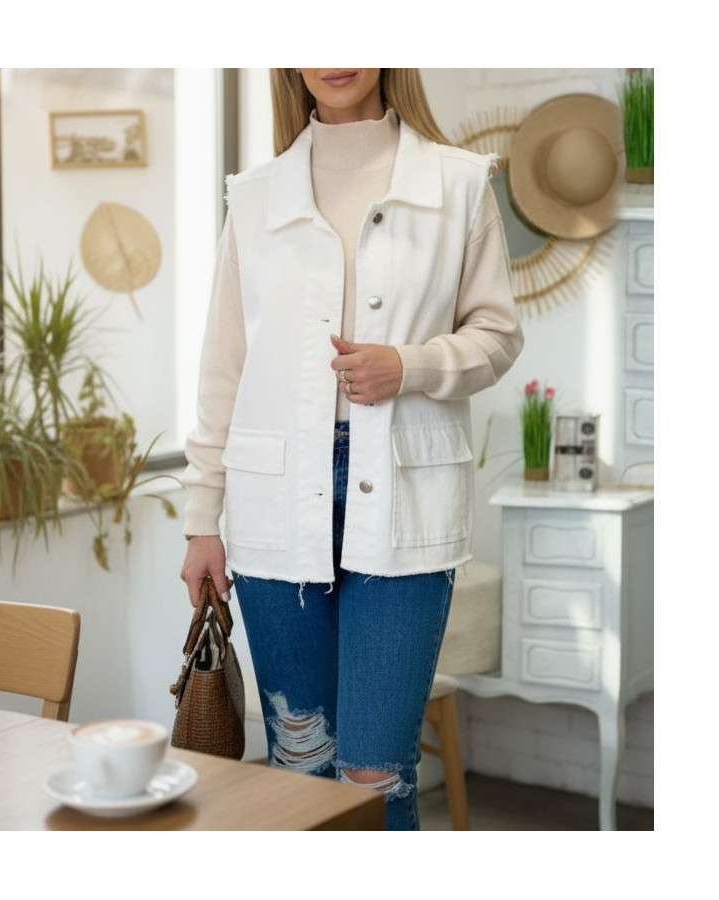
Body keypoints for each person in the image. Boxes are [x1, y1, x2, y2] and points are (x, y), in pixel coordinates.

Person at [180, 68, 523, 830]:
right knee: (299, 765)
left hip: (402, 498)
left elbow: (499, 335)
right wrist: (202, 519)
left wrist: (411, 365)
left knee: (376, 775)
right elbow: (224, 370)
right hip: (275, 502)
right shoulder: (254, 196)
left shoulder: (459, 183)